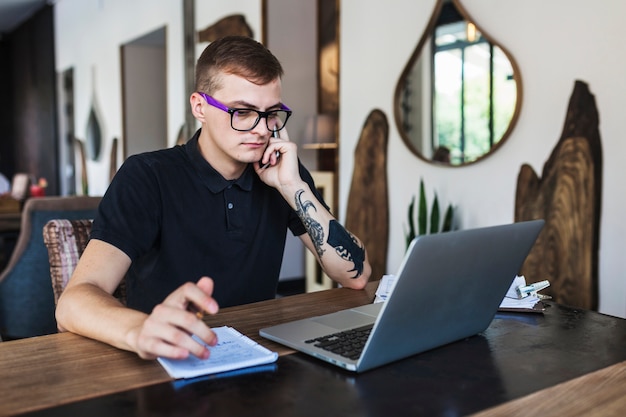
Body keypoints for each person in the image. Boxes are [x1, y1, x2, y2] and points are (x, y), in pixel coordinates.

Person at [56, 36, 371, 361]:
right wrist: (139, 330)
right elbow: (73, 303)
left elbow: (356, 275)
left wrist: (292, 186)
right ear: (200, 107)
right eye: (243, 112)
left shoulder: (281, 171)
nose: (262, 130)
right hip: (167, 362)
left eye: (272, 113)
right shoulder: (148, 175)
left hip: (258, 356)